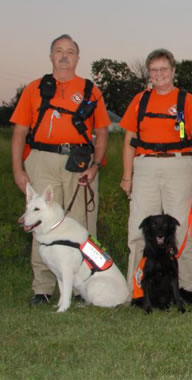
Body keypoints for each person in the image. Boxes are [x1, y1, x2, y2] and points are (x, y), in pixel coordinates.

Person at [10, 34, 110, 305]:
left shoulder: (91, 90)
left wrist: (96, 166)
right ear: (51, 56)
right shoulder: (34, 89)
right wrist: (18, 170)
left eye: (70, 52)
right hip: (41, 159)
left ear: (78, 58)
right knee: (39, 222)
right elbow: (19, 131)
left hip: (78, 163)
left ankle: (82, 286)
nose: (64, 56)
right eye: (58, 51)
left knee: (81, 226)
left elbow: (101, 132)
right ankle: (42, 287)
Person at [120, 49, 192, 298]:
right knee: (139, 229)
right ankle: (137, 288)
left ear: (173, 71)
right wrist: (127, 176)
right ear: (149, 73)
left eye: (164, 69)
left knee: (181, 229)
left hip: (179, 165)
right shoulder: (140, 100)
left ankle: (185, 287)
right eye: (154, 70)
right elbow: (129, 139)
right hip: (145, 166)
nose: (159, 74)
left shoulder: (185, 100)